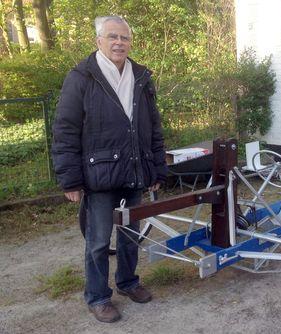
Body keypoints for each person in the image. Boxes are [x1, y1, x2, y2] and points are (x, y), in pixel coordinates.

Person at [51, 15, 168, 323]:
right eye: (112, 37)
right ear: (98, 41)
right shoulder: (81, 77)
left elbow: (152, 126)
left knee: (130, 235)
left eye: (124, 38)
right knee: (99, 241)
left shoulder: (141, 76)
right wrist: (70, 180)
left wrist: (156, 168)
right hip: (98, 176)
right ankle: (98, 296)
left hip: (134, 171)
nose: (119, 43)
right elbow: (65, 129)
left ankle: (128, 283)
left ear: (130, 42)